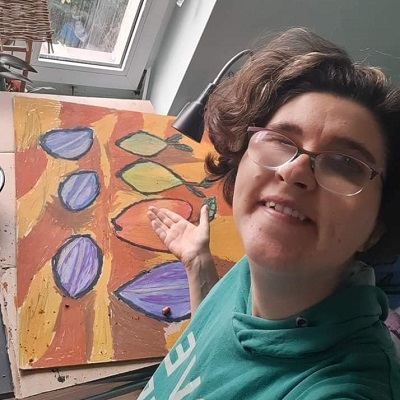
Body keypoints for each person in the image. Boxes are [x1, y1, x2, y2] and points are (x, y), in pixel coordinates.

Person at [139, 28, 400, 399]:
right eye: (280, 139)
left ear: (378, 225)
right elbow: (215, 352)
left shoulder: (345, 386)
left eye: (344, 163)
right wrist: (199, 265)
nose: (294, 170)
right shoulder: (259, 270)